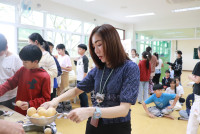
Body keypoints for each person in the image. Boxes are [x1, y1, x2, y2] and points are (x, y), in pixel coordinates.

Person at [42, 24, 140, 134]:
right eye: (94, 47)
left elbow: (123, 110)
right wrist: (55, 100)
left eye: (99, 45)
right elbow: (77, 90)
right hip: (94, 123)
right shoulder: (98, 69)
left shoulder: (130, 68)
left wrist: (89, 111)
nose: (96, 51)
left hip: (117, 126)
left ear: (113, 43)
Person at [0, 45, 51, 115]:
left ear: (35, 61)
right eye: (22, 61)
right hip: (18, 111)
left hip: (34, 113)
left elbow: (46, 99)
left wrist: (30, 104)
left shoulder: (44, 76)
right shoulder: (22, 70)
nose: (23, 63)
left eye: (25, 62)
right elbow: (10, 83)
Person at [0, 34, 22, 110]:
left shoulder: (15, 59)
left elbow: (18, 80)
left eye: (0, 53)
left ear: (6, 48)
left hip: (9, 98)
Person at [187, 46, 200, 134]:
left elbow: (197, 80)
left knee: (193, 122)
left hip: (199, 98)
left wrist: (190, 76)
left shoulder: (199, 64)